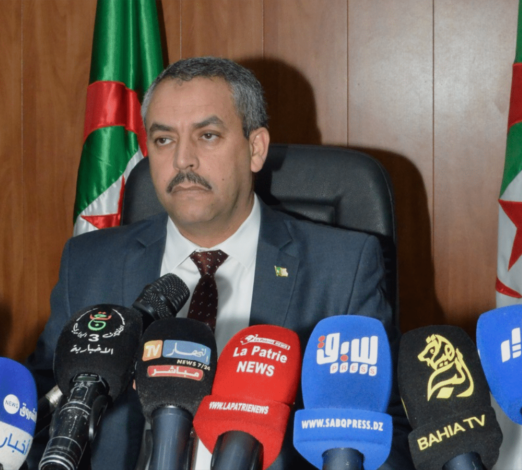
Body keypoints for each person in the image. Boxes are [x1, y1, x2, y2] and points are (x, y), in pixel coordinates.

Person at [27, 56, 412, 469]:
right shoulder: (88, 265)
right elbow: (35, 420)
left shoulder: (341, 269)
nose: (182, 160)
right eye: (163, 139)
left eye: (207, 136)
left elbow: (386, 435)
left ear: (255, 149)